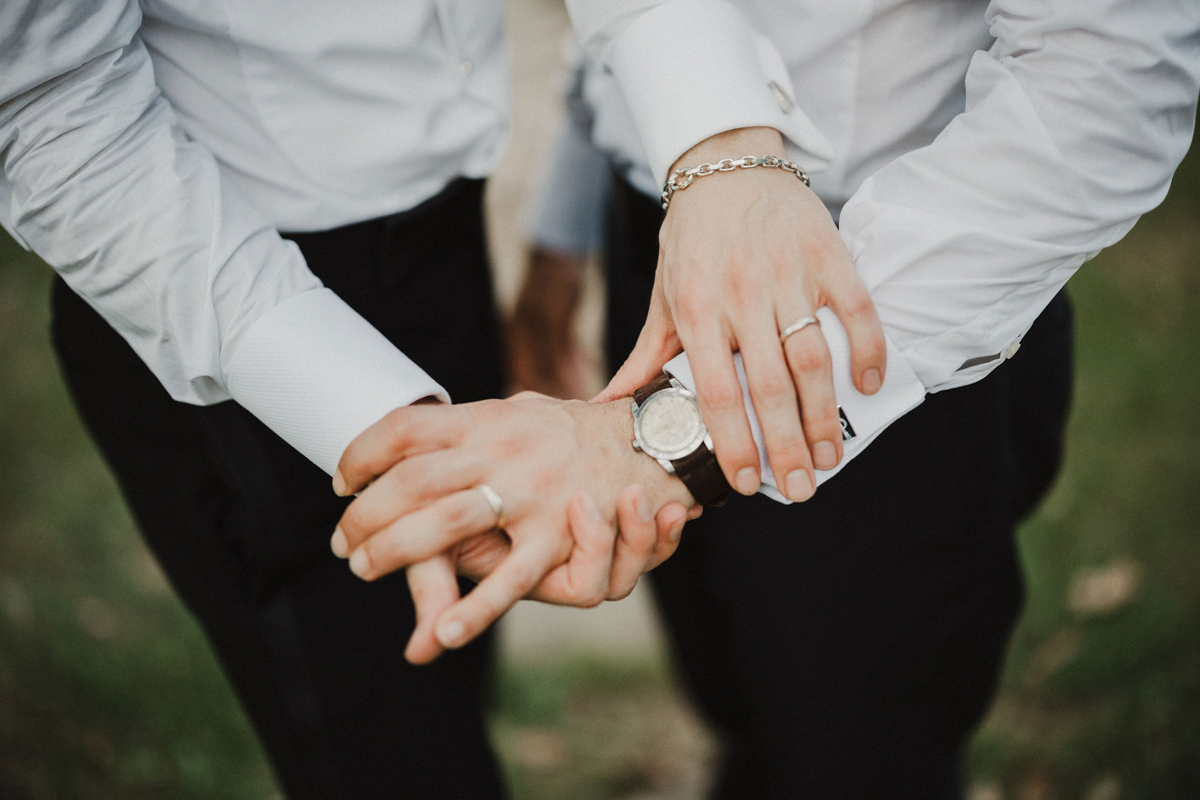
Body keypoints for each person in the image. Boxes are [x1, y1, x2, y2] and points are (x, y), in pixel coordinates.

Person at [335, 0, 1200, 796]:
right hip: (655, 235)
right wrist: (568, 225)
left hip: (896, 299)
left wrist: (662, 441)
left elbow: (1110, 82)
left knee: (860, 754)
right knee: (731, 685)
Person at [0, 2, 766, 796]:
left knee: (448, 693)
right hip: (231, 313)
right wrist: (383, 424)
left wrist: (716, 156)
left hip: (444, 235)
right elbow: (47, 102)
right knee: (392, 759)